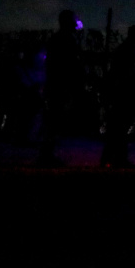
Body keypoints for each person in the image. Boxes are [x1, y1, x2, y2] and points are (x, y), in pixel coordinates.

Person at [36, 10, 85, 166]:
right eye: (75, 20)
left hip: (58, 84)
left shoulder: (60, 38)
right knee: (55, 120)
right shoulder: (65, 39)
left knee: (55, 120)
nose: (78, 22)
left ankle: (47, 154)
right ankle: (46, 155)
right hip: (61, 85)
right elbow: (69, 63)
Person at [100, 25, 135, 168]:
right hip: (127, 96)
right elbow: (128, 75)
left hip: (125, 95)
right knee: (121, 128)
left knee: (117, 128)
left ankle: (109, 158)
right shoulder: (133, 52)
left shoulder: (127, 50)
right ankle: (119, 159)